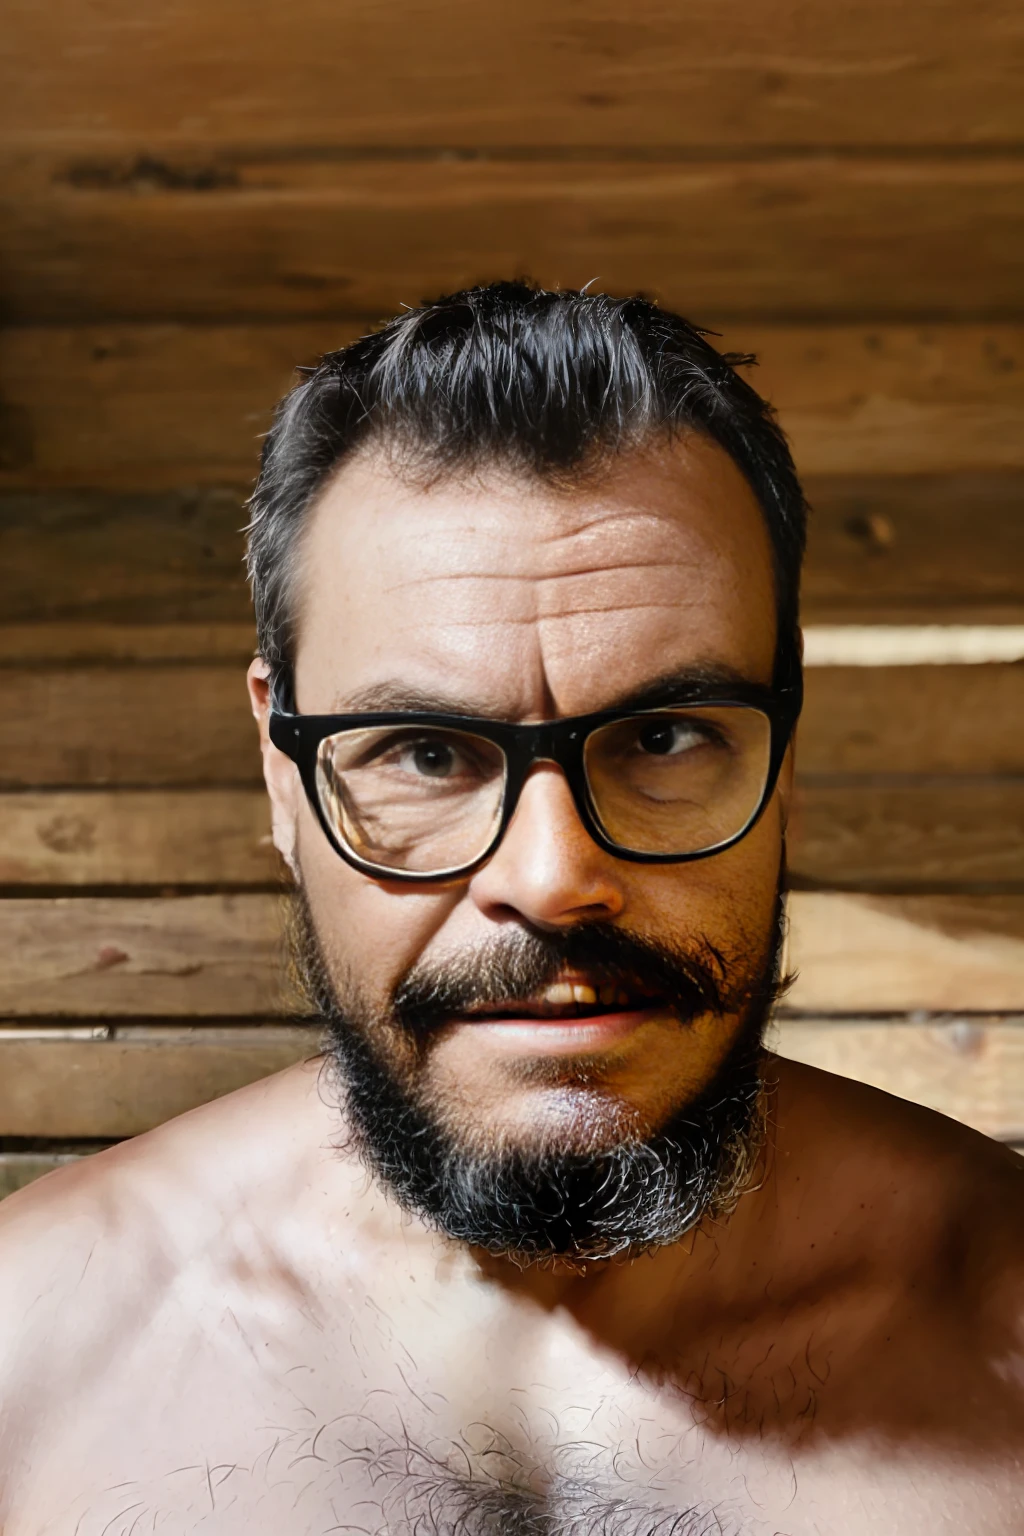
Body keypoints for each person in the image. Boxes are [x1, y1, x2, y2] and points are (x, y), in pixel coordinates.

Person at [1, 284, 1021, 1535]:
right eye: (426, 752)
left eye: (662, 736)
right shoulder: (29, 1352)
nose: (550, 877)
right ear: (283, 774)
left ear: (786, 763)